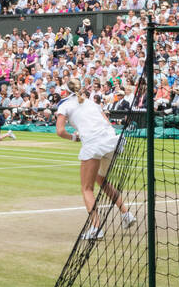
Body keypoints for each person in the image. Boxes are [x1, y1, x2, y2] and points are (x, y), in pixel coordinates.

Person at [55, 84, 135, 241]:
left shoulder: (64, 106)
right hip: (113, 142)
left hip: (94, 145)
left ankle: (96, 228)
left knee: (86, 188)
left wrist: (74, 137)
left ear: (65, 93)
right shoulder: (93, 103)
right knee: (101, 179)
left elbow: (60, 131)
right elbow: (106, 122)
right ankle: (126, 214)